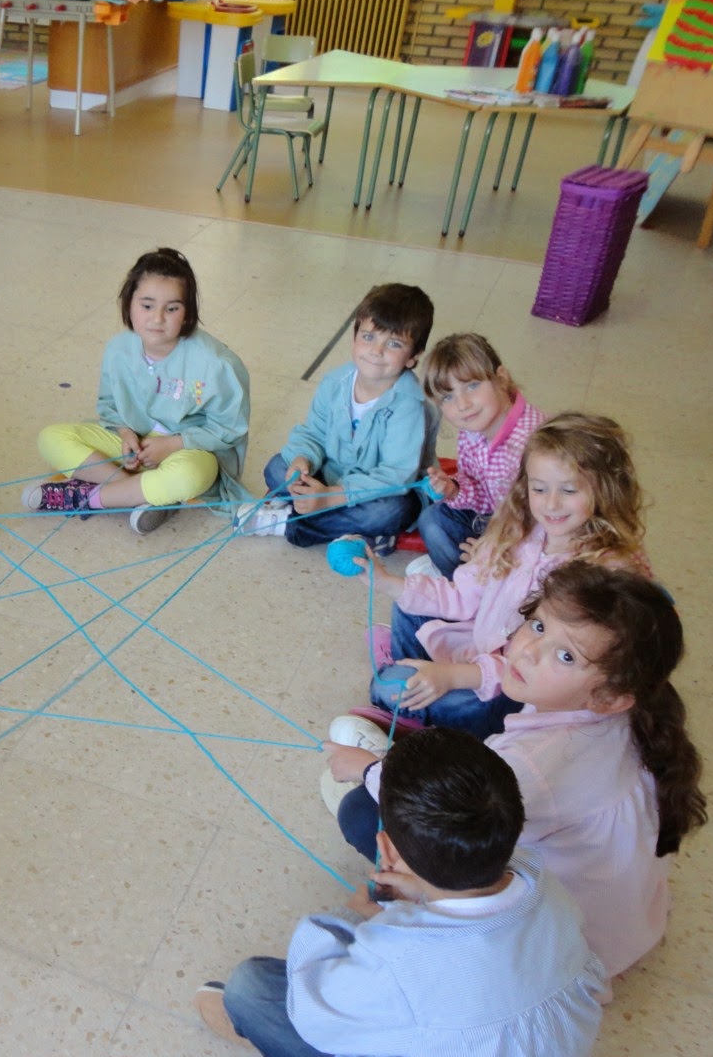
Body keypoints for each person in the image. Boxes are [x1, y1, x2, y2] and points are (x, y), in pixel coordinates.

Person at [197, 728, 607, 1057]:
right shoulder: (551, 893)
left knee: (251, 990)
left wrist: (354, 919)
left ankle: (243, 1022)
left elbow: (315, 1016)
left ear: (386, 848)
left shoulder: (398, 961)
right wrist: (427, 905)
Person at [326, 562, 706, 983]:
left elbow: (449, 815)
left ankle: (386, 782)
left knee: (361, 813)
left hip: (563, 948)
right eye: (538, 626)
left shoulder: (533, 763)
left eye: (566, 655)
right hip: (625, 921)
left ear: (611, 697)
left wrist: (367, 769)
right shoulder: (629, 715)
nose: (527, 650)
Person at [345, 412, 650, 741]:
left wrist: (453, 677)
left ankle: (415, 719)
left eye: (569, 490)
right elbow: (461, 595)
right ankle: (413, 679)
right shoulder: (518, 530)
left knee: (387, 688)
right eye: (539, 488)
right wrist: (386, 581)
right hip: (480, 650)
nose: (551, 504)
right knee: (407, 604)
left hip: (517, 690)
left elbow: (545, 672)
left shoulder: (602, 573)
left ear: (606, 489)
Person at [23, 247, 250, 535]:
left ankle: (89, 497)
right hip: (136, 448)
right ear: (129, 304)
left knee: (187, 477)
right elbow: (108, 403)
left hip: (189, 452)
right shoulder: (118, 348)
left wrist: (173, 444)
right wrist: (125, 433)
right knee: (51, 438)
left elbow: (229, 428)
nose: (157, 318)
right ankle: (140, 494)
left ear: (187, 313)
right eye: (147, 306)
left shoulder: (217, 364)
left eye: (172, 308)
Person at [238, 283, 437, 552]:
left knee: (391, 512)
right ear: (354, 338)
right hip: (333, 476)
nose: (376, 351)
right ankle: (357, 530)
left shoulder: (409, 405)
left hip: (382, 492)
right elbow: (314, 434)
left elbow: (395, 477)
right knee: (276, 468)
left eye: (394, 344)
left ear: (413, 357)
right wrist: (302, 460)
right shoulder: (335, 382)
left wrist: (331, 497)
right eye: (368, 337)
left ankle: (290, 525)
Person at [414, 332, 546, 577]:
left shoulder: (530, 447)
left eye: (472, 386)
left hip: (531, 541)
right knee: (432, 520)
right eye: (448, 397)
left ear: (501, 378)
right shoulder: (472, 428)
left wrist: (496, 550)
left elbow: (547, 527)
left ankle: (481, 584)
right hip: (497, 520)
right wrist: (454, 489)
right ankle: (469, 582)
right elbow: (482, 492)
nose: (462, 404)